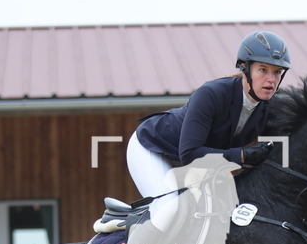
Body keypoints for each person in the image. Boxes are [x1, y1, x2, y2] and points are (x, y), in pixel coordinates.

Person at [124, 29, 291, 202]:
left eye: (277, 72)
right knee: (168, 207)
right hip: (154, 148)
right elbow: (190, 154)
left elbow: (279, 154)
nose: (271, 80)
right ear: (244, 68)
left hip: (196, 165)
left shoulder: (271, 109)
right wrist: (242, 156)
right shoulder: (211, 94)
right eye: (263, 69)